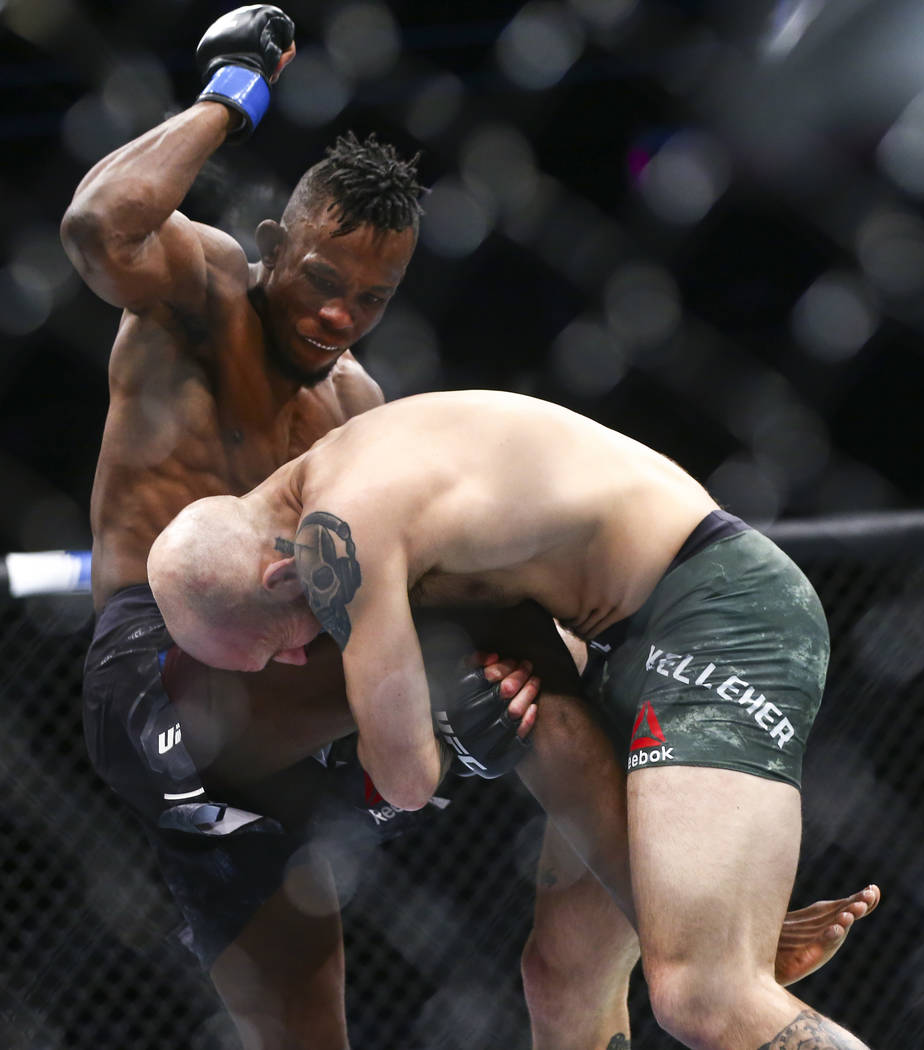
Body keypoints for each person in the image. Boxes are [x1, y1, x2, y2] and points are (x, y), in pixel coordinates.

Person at [62, 6, 877, 1048]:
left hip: (337, 672)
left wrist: (480, 713)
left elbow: (426, 614)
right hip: (169, 650)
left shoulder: (360, 421)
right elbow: (97, 227)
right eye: (320, 281)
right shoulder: (207, 290)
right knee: (488, 668)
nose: (337, 316)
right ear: (275, 247)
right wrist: (233, 90)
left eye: (372, 298)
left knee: (512, 674)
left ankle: (702, 938)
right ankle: (710, 940)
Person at [148, 388, 879, 1050]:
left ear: (279, 577)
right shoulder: (361, 479)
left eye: (275, 645)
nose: (293, 662)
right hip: (623, 647)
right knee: (562, 980)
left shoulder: (336, 534)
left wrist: (430, 741)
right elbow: (535, 680)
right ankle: (723, 932)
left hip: (713, 614)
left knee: (703, 997)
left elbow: (404, 779)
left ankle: (724, 951)